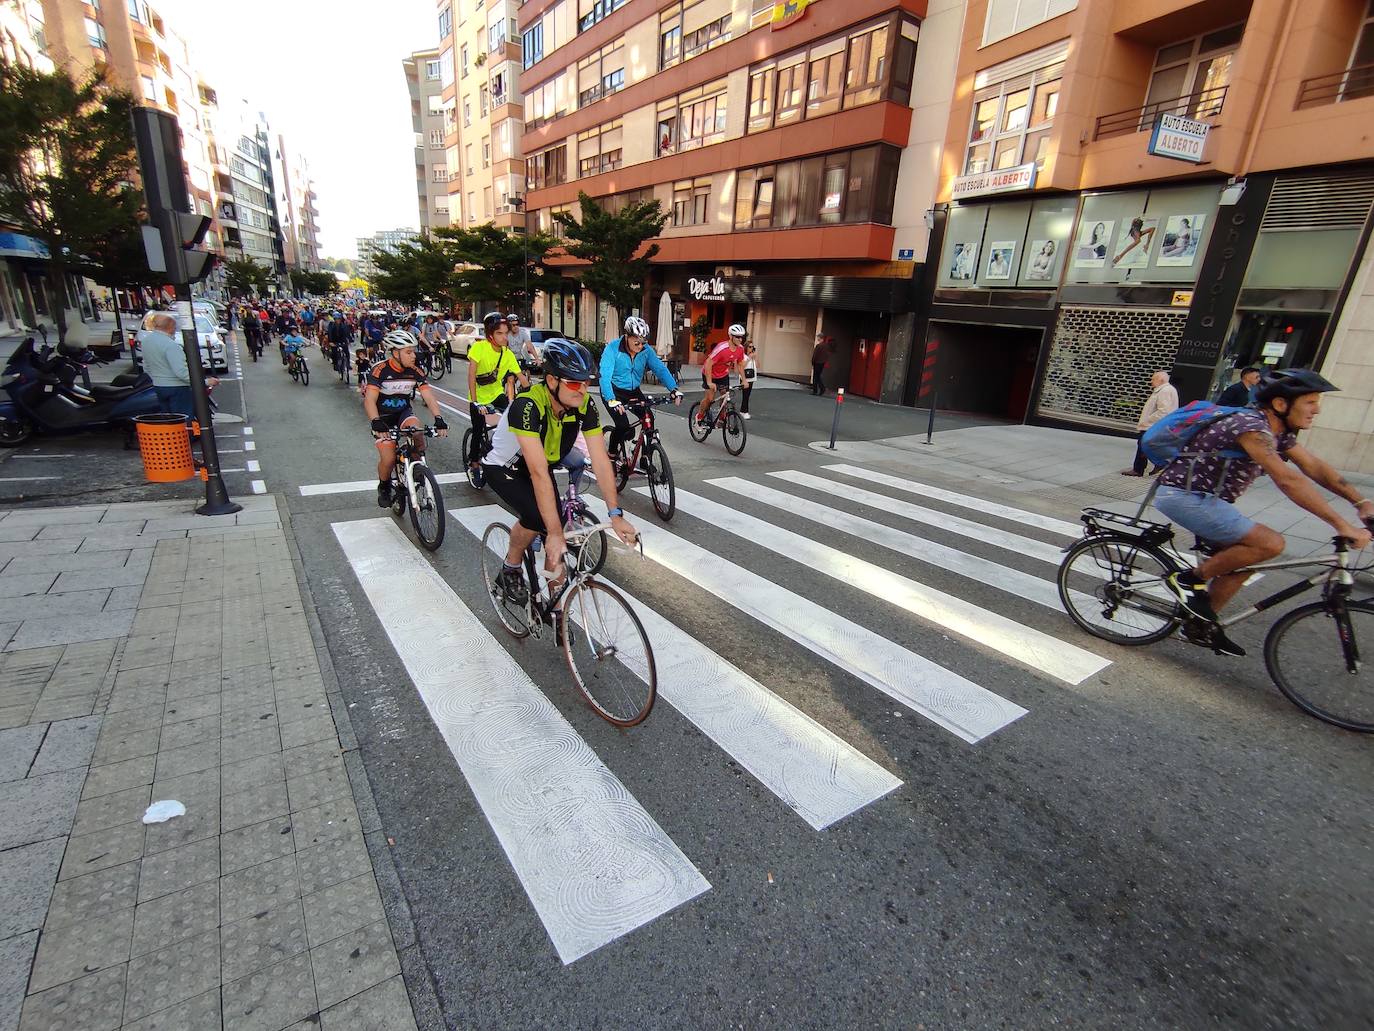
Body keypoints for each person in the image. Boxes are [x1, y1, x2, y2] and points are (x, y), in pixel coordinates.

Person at [1155, 368, 1372, 656]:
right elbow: (1288, 479)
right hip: (1184, 496)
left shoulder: (1277, 434)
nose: (1317, 410)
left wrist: (1361, 503)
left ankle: (1199, 625)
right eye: (1310, 402)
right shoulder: (1250, 427)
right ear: (1281, 404)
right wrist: (1341, 525)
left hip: (1208, 500)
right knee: (1270, 543)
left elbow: (1315, 467)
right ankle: (1187, 579)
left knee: (1245, 559)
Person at [482, 339, 638, 604]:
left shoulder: (584, 405)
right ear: (552, 381)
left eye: (587, 382)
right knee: (540, 519)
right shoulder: (527, 406)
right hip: (505, 469)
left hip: (542, 467)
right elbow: (538, 471)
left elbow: (600, 459)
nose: (583, 390)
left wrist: (615, 514)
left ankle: (556, 604)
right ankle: (511, 566)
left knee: (554, 528)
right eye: (575, 383)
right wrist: (553, 532)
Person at [364, 328, 448, 508]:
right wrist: (376, 422)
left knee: (417, 430)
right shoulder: (379, 370)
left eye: (414, 351)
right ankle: (384, 486)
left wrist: (439, 418)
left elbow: (428, 396)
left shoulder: (415, 371)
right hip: (383, 418)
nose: (414, 356)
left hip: (403, 414)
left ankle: (416, 468)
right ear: (395, 353)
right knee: (387, 459)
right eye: (408, 352)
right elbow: (370, 400)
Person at [600, 315, 682, 458]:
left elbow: (660, 369)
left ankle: (646, 457)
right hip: (613, 391)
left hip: (633, 391)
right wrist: (611, 399)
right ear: (627, 336)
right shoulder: (612, 349)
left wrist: (673, 389)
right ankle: (612, 454)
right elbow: (604, 376)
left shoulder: (646, 350)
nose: (640, 346)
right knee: (623, 426)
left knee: (648, 418)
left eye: (643, 342)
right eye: (636, 342)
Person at [466, 311, 526, 476]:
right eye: (499, 333)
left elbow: (522, 377)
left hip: (497, 394)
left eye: (506, 333)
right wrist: (475, 402)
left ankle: (499, 450)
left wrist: (533, 395)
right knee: (478, 429)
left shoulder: (507, 354)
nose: (504, 337)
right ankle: (474, 461)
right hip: (478, 397)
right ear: (490, 335)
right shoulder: (479, 348)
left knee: (512, 421)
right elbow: (471, 375)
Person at [141, 312, 216, 419]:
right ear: (170, 327)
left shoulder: (146, 341)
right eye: (174, 327)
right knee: (182, 420)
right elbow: (182, 373)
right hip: (177, 388)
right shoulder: (171, 346)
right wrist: (205, 382)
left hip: (159, 386)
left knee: (168, 420)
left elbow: (146, 366)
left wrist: (157, 379)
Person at [1122, 370, 1178, 477]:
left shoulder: (1164, 391)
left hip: (1152, 426)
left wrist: (1148, 420)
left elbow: (1163, 410)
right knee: (1147, 446)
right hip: (1156, 425)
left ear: (1160, 380)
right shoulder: (1166, 389)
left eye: (1153, 379)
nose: (1151, 381)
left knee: (1143, 445)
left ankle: (1140, 469)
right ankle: (1154, 465)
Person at [698, 324, 747, 423]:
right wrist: (710, 382)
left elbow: (741, 364)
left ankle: (721, 418)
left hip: (723, 374)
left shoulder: (740, 349)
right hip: (709, 373)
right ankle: (699, 416)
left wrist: (744, 380)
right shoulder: (722, 349)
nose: (740, 339)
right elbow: (708, 363)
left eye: (742, 337)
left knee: (725, 395)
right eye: (737, 337)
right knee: (710, 398)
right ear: (730, 336)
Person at [740, 342, 757, 419]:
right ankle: (745, 411)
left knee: (747, 395)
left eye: (753, 347)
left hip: (752, 377)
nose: (751, 348)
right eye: (750, 346)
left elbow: (758, 366)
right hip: (745, 378)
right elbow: (742, 366)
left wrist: (755, 358)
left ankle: (743, 411)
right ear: (746, 347)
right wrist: (749, 358)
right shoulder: (743, 356)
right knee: (745, 395)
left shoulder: (752, 356)